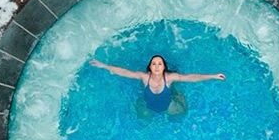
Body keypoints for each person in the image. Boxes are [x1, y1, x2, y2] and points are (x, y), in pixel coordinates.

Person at [89, 54, 225, 116]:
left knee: (181, 113)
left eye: (160, 63)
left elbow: (190, 78)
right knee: (142, 116)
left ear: (164, 67)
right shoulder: (144, 77)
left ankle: (177, 93)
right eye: (154, 63)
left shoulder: (170, 78)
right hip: (149, 106)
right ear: (150, 67)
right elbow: (124, 72)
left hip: (169, 105)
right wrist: (104, 66)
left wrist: (212, 76)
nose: (157, 65)